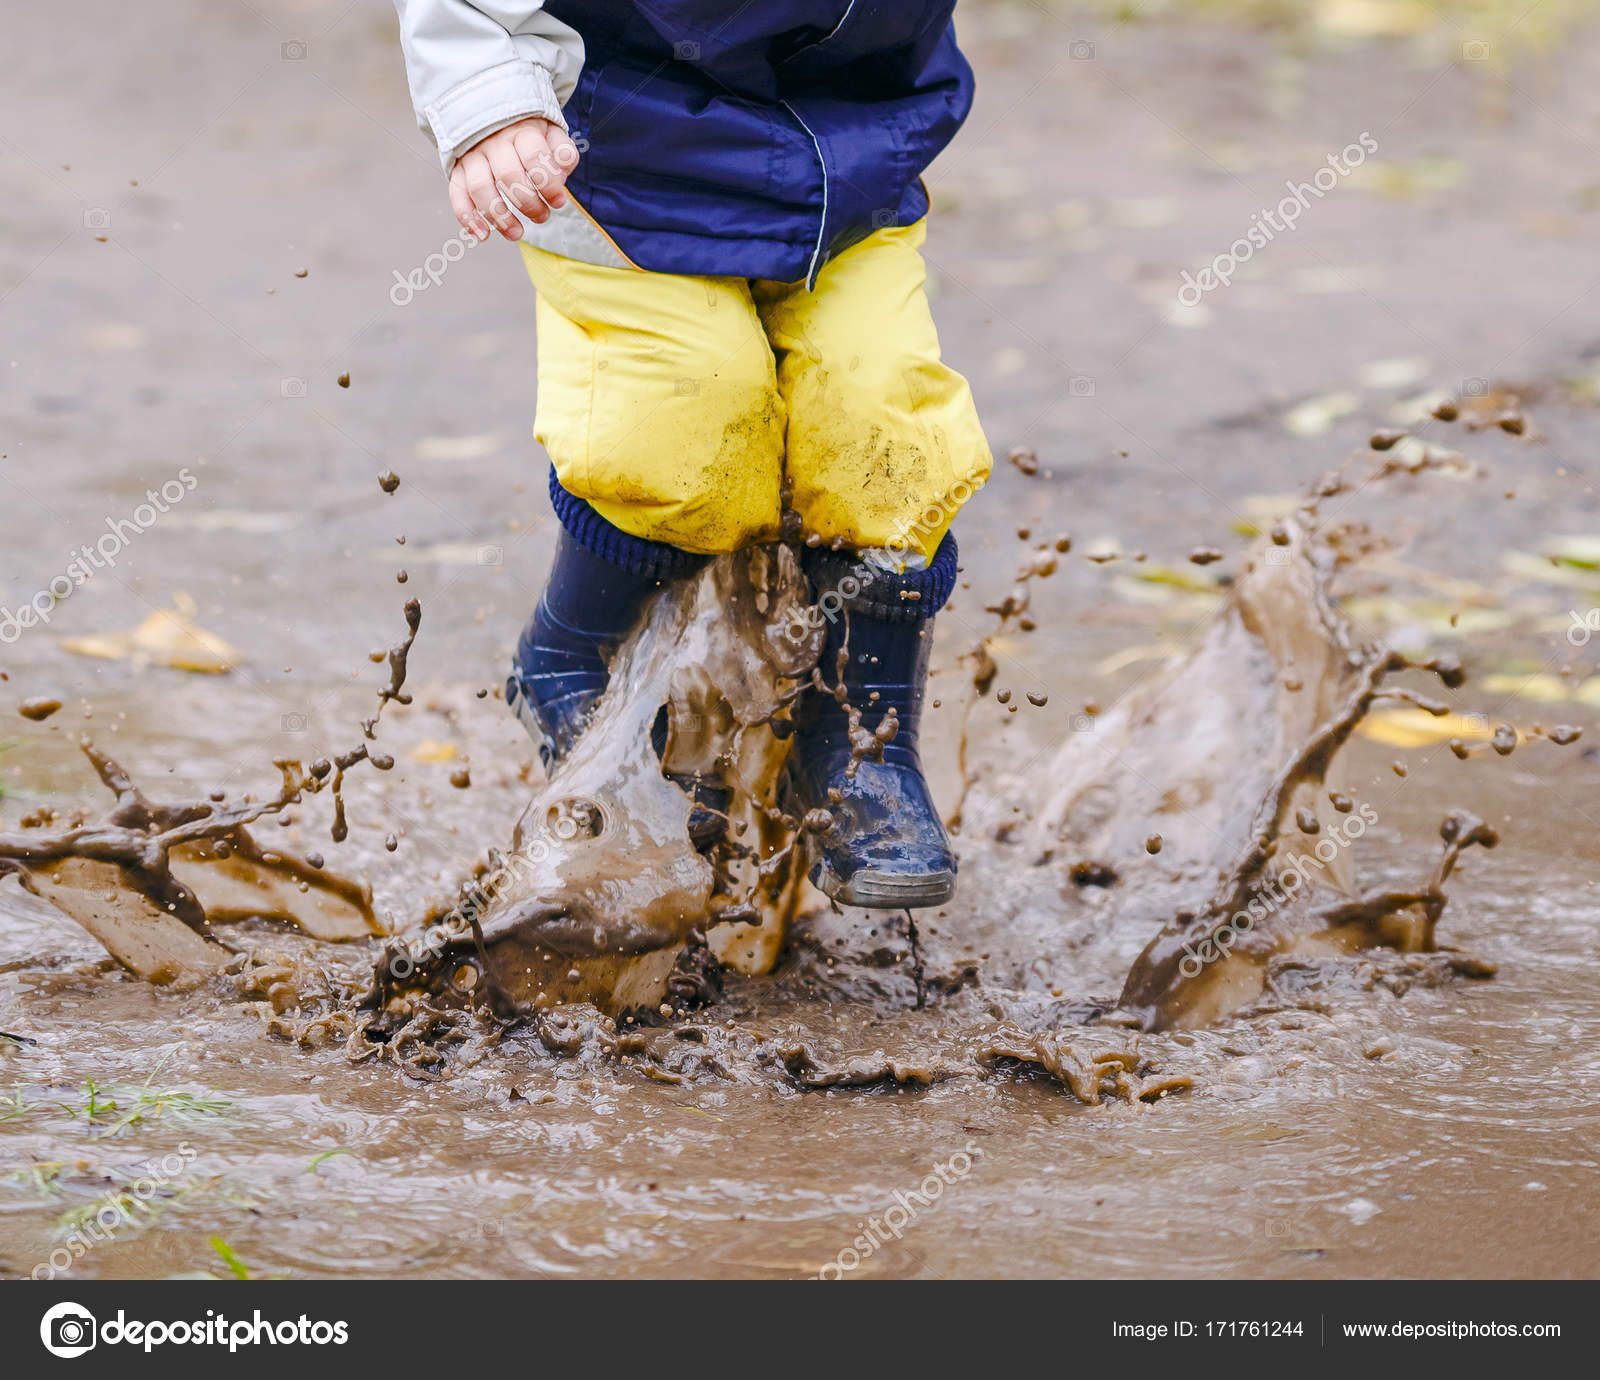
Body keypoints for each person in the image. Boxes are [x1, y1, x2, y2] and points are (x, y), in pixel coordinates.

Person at [393, 0, 991, 907]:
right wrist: (489, 100)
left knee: (886, 425)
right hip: (625, 162)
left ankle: (864, 742)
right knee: (685, 412)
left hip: (850, 159)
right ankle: (573, 657)